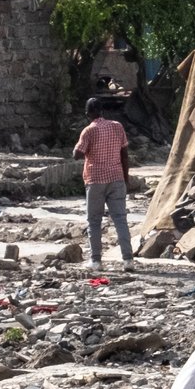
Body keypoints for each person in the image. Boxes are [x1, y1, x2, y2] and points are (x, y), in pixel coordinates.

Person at [73, 97, 134, 267]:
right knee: (120, 219)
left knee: (94, 220)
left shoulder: (88, 131)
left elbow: (77, 154)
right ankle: (128, 259)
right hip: (116, 177)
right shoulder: (117, 126)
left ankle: (96, 260)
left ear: (88, 114)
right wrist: (126, 179)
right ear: (102, 111)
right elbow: (125, 155)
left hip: (95, 179)